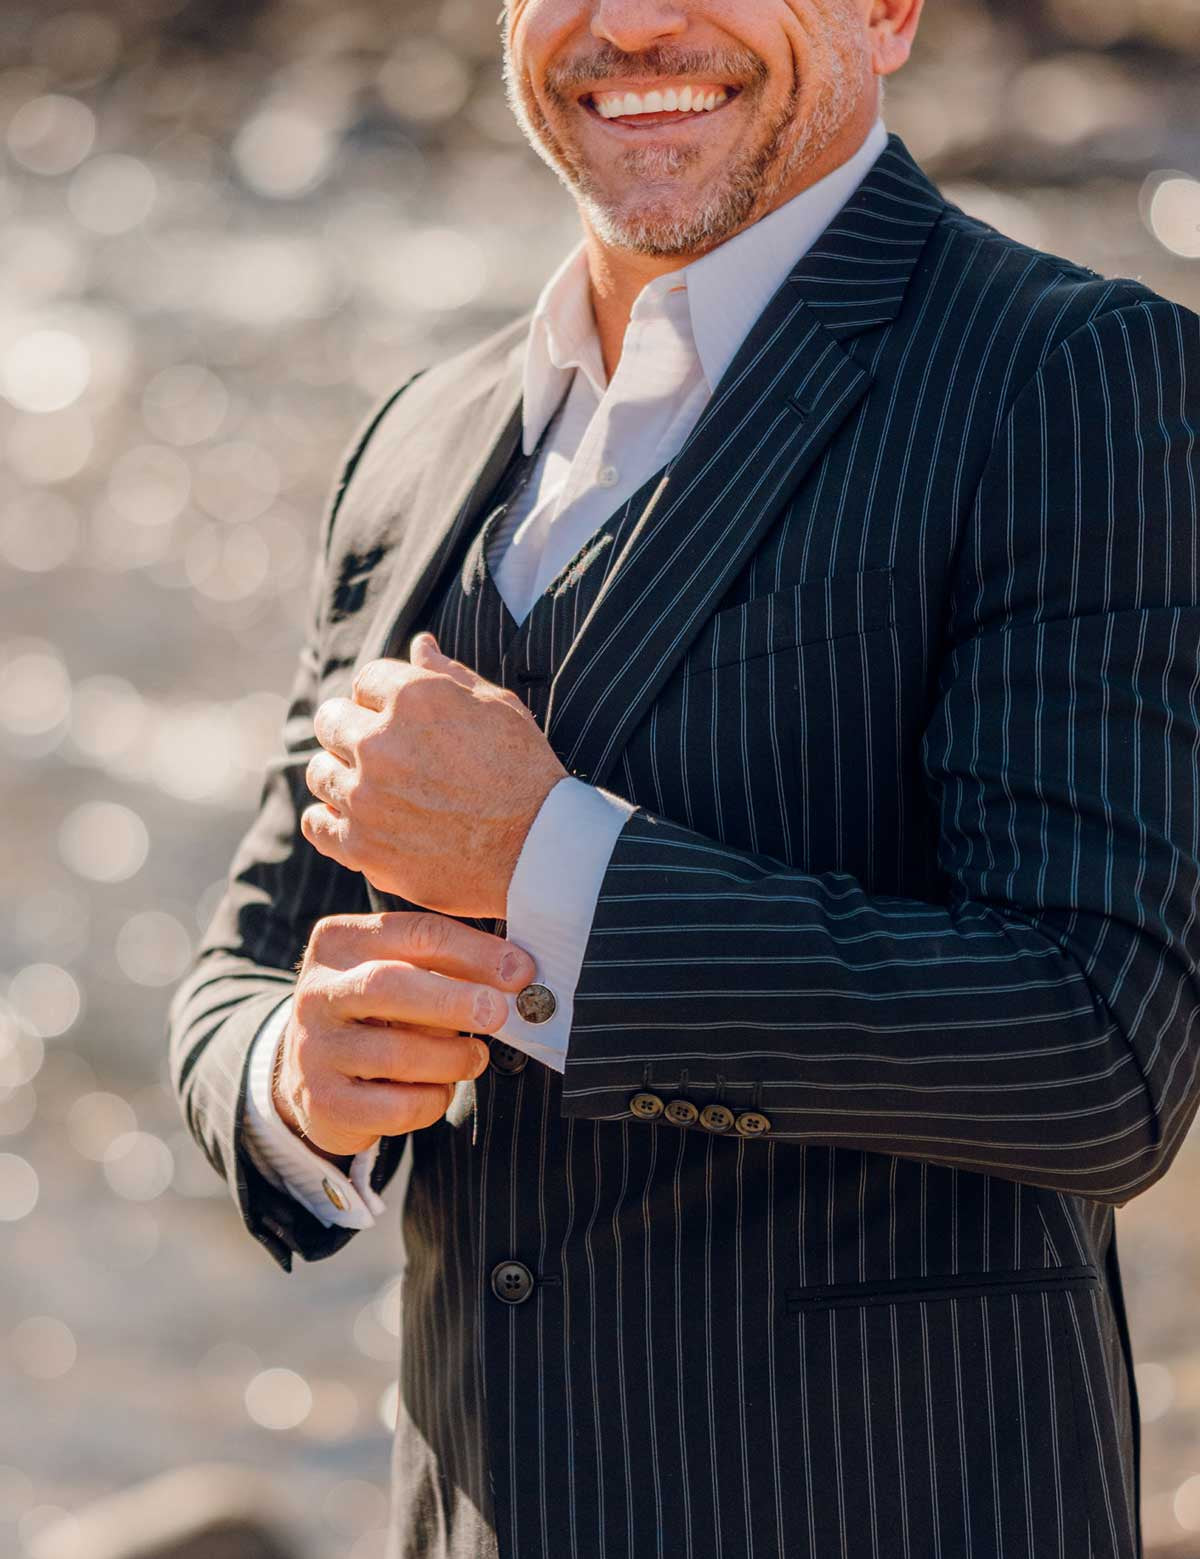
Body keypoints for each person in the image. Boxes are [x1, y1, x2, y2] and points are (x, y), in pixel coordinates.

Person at [168, 2, 1200, 1555]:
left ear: (888, 11)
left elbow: (1100, 1049)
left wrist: (543, 862)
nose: (637, 21)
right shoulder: (419, 438)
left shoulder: (1074, 374)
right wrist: (295, 1080)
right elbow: (243, 963)